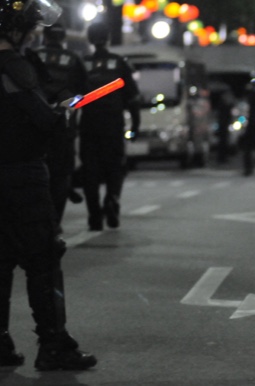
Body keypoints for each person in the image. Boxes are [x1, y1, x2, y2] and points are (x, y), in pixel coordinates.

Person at [0, 0, 96, 370]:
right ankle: (54, 343)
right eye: (29, 27)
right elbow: (43, 119)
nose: (34, 34)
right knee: (43, 258)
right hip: (22, 175)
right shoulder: (15, 66)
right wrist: (62, 114)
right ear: (14, 30)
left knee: (1, 259)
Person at [79, 22, 140, 231]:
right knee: (115, 167)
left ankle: (94, 216)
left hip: (89, 126)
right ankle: (112, 198)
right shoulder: (119, 63)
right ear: (109, 37)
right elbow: (132, 99)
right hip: (113, 125)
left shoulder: (83, 64)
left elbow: (73, 99)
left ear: (89, 37)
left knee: (90, 172)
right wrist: (135, 127)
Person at [34, 22, 87, 231]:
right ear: (63, 38)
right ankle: (55, 221)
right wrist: (68, 107)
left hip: (36, 123)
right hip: (64, 125)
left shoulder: (32, 57)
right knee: (62, 173)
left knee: (37, 170)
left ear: (44, 37)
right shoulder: (73, 60)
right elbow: (84, 94)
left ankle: (40, 219)